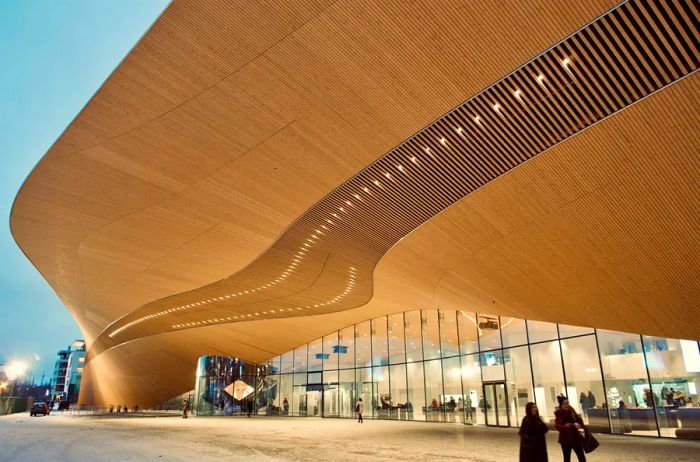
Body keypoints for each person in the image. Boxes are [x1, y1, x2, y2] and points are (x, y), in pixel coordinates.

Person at [555, 396, 586, 462]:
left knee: (582, 457)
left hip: (576, 438)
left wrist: (579, 424)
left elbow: (580, 423)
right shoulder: (559, 414)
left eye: (568, 403)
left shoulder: (572, 412)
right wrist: (572, 425)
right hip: (566, 440)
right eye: (565, 403)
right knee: (567, 458)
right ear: (561, 405)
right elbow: (558, 426)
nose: (567, 405)